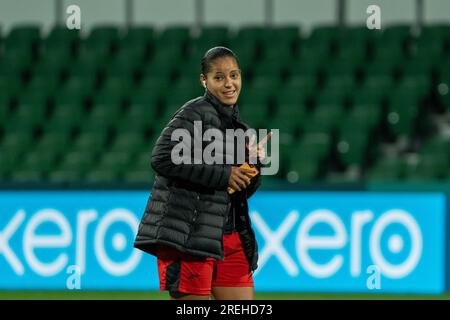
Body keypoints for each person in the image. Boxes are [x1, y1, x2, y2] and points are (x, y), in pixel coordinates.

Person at [134, 46, 270, 300]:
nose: (229, 84)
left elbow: (238, 191)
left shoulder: (239, 128)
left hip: (229, 236)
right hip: (189, 236)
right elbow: (162, 157)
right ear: (204, 80)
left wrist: (253, 167)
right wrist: (224, 175)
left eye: (234, 75)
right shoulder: (193, 113)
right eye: (219, 77)